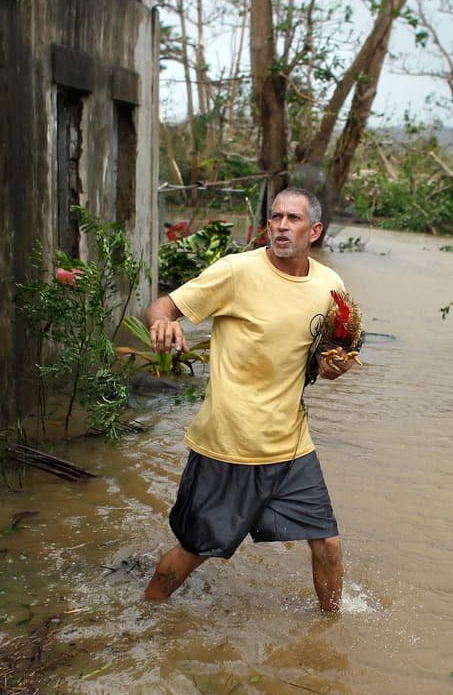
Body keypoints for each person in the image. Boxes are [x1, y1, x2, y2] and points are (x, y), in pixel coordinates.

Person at [142, 189, 354, 614]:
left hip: (291, 445)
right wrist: (162, 323)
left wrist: (336, 365)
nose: (280, 225)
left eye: (292, 218)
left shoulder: (330, 286)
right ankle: (145, 615)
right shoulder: (236, 272)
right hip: (228, 444)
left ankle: (330, 629)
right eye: (274, 216)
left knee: (327, 544)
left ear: (314, 231)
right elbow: (164, 305)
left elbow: (336, 350)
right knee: (194, 550)